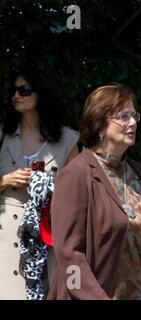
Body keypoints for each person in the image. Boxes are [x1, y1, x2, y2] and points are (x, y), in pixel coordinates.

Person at [47, 84, 141, 300]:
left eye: (134, 115)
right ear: (99, 124)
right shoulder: (76, 175)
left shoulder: (137, 171)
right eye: (123, 116)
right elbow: (68, 255)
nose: (133, 122)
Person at [0, 68, 79, 300]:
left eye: (24, 90)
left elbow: (76, 195)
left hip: (47, 241)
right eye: (14, 90)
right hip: (4, 243)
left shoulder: (68, 139)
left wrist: (48, 188)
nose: (17, 95)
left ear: (42, 94)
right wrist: (6, 180)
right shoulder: (2, 133)